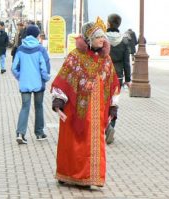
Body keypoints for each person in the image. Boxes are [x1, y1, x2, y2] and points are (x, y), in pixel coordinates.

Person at [51, 17, 120, 188]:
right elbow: (63, 79)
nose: (102, 40)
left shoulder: (106, 59)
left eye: (103, 37)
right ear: (89, 38)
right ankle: (69, 174)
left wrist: (113, 106)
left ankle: (91, 176)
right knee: (74, 144)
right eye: (98, 37)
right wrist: (59, 101)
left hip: (97, 112)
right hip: (76, 110)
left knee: (94, 144)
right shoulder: (75, 57)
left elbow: (113, 84)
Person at [12, 25, 51, 144]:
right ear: (37, 35)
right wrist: (46, 78)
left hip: (25, 83)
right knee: (38, 107)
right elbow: (44, 67)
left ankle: (20, 133)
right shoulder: (40, 49)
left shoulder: (20, 49)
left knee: (25, 107)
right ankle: (39, 133)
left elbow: (14, 68)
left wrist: (21, 77)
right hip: (38, 83)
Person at [105, 13, 131, 144]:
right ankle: (112, 127)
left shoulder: (102, 39)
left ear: (108, 24)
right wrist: (128, 79)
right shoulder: (124, 40)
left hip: (103, 75)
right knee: (114, 102)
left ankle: (105, 127)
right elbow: (127, 62)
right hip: (118, 76)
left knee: (103, 102)